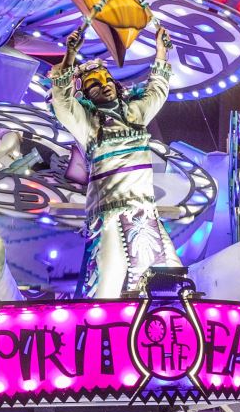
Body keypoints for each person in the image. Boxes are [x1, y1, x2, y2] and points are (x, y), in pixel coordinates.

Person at [49, 24, 177, 298]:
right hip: (109, 218)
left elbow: (158, 88)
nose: (104, 86)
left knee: (170, 279)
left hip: (145, 215)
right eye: (94, 84)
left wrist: (162, 51)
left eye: (107, 80)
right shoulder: (88, 123)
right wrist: (70, 55)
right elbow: (62, 101)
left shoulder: (135, 112)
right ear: (85, 94)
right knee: (106, 286)